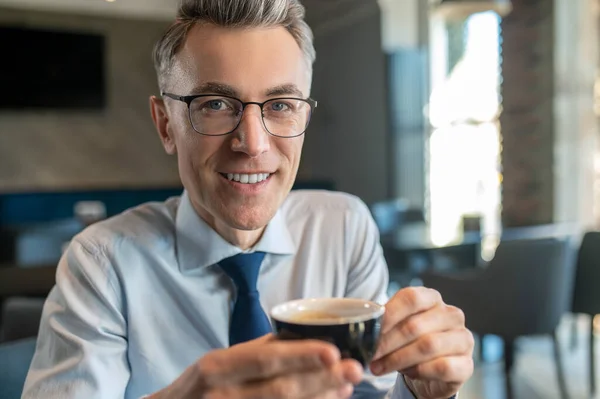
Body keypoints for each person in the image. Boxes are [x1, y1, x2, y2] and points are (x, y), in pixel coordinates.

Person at [21, 0, 474, 398]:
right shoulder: (101, 265)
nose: (252, 143)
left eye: (280, 105)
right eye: (216, 104)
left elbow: (367, 394)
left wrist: (417, 393)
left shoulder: (343, 227)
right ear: (165, 125)